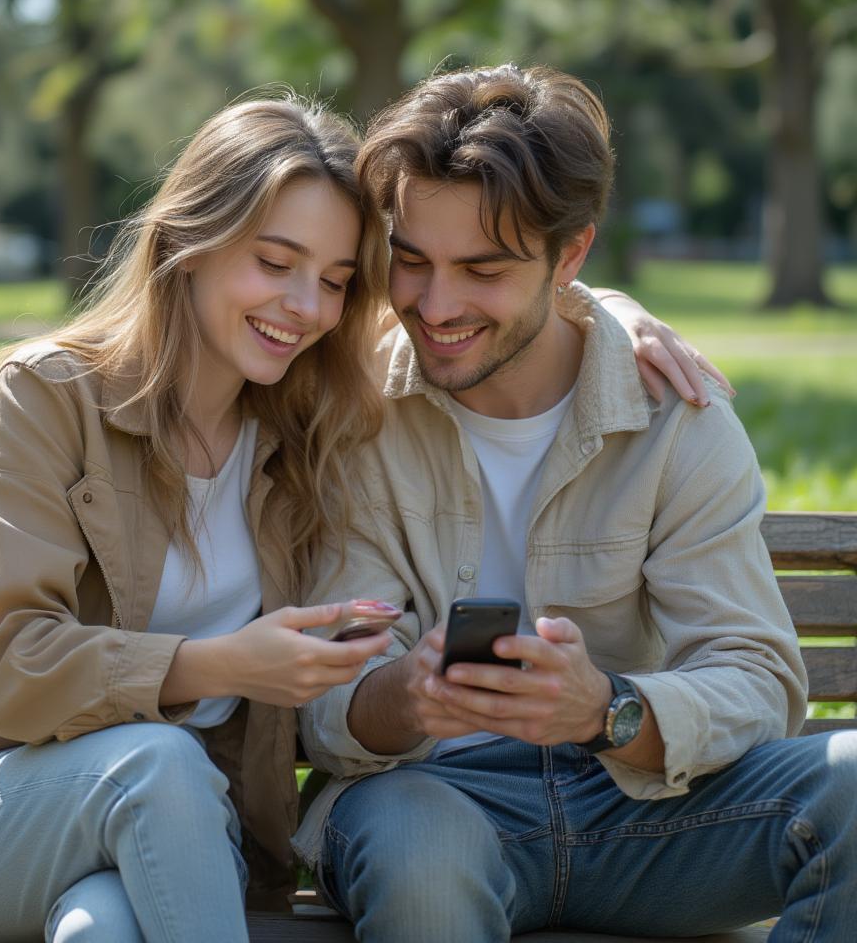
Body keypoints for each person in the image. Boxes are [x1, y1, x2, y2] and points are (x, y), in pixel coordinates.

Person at [0, 91, 709, 943]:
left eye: (336, 282)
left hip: (179, 836)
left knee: (102, 931)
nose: (305, 305)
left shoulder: (309, 429)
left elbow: (486, 288)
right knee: (163, 764)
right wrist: (221, 665)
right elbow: (10, 663)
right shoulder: (48, 396)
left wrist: (612, 312)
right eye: (275, 262)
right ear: (191, 242)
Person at [296, 65, 857, 942]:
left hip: (648, 811)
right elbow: (325, 712)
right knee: (421, 859)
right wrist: (407, 696)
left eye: (482, 269)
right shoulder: (354, 415)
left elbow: (758, 680)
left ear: (572, 255)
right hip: (432, 800)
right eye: (412, 262)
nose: (435, 307)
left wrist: (606, 712)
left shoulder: (679, 420)